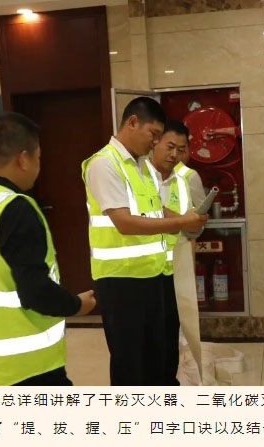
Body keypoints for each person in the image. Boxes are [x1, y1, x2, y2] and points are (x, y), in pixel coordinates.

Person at [0, 112, 97, 386]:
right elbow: (35, 291)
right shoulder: (15, 208)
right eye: (38, 159)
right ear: (23, 158)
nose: (39, 167)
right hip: (24, 367)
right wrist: (77, 305)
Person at [82, 98, 208, 386]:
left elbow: (154, 209)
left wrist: (185, 218)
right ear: (132, 122)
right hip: (121, 280)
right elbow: (124, 222)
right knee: (130, 363)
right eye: (153, 134)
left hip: (152, 275)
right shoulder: (104, 164)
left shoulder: (141, 166)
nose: (155, 143)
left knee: (157, 356)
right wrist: (181, 223)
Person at [142, 120, 195, 384]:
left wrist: (189, 272)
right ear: (156, 143)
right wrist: (181, 219)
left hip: (173, 272)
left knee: (169, 336)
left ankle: (168, 385)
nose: (174, 154)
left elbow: (189, 232)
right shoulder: (139, 176)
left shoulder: (183, 182)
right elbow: (144, 215)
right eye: (170, 146)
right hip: (143, 272)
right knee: (146, 343)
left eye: (181, 149)